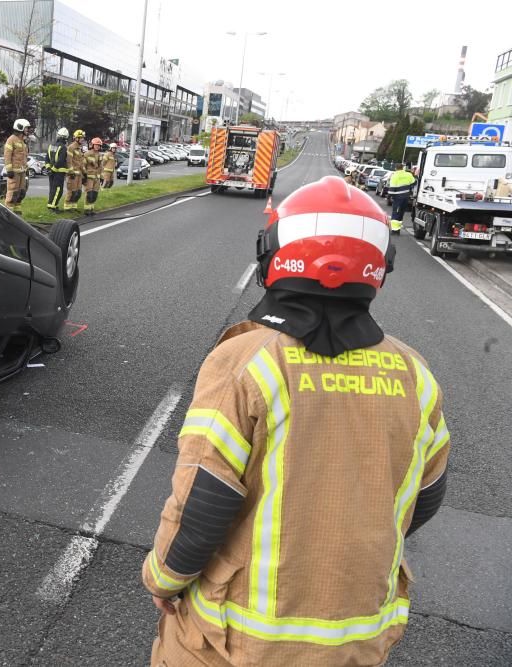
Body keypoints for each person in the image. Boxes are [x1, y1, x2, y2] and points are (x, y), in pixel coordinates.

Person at [143, 176, 448, 666]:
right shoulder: (415, 372)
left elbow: (203, 498)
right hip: (360, 636)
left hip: (234, 641)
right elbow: (427, 496)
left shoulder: (246, 360)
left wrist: (166, 578)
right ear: (378, 268)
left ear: (275, 257)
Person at [4, 118, 31, 214]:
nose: (27, 130)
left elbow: (24, 157)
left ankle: (17, 212)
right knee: (13, 192)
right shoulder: (11, 140)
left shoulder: (23, 141)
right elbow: (7, 155)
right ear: (20, 128)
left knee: (21, 192)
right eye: (26, 128)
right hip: (14, 172)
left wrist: (26, 169)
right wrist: (9, 170)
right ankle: (8, 213)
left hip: (22, 171)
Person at [387, 164, 416, 234]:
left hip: (397, 198)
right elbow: (414, 182)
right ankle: (398, 229)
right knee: (401, 213)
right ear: (403, 168)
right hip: (406, 197)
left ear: (395, 168)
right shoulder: (408, 174)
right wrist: (408, 188)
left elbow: (392, 188)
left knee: (396, 213)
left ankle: (394, 230)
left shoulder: (394, 175)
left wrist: (389, 196)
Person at [46, 127, 70, 210]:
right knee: (58, 190)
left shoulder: (51, 146)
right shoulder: (63, 147)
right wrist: (53, 169)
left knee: (52, 189)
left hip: (51, 172)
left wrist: (49, 169)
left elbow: (47, 159)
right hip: (59, 172)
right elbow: (60, 161)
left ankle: (51, 205)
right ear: (65, 138)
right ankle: (52, 206)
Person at [82, 137, 104, 215]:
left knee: (94, 194)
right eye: (96, 145)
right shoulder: (87, 154)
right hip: (89, 177)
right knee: (89, 194)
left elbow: (101, 167)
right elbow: (83, 165)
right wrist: (84, 175)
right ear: (92, 145)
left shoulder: (100, 155)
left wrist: (102, 177)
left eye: (99, 145)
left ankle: (91, 209)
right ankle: (86, 210)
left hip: (97, 178)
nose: (97, 146)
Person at [65, 129, 86, 209]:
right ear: (76, 138)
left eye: (82, 138)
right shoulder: (71, 147)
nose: (82, 139)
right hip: (73, 175)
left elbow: (81, 163)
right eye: (81, 138)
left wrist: (85, 173)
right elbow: (68, 161)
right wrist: (71, 172)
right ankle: (67, 208)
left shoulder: (79, 149)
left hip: (79, 175)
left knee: (78, 192)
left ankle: (73, 207)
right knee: (71, 192)